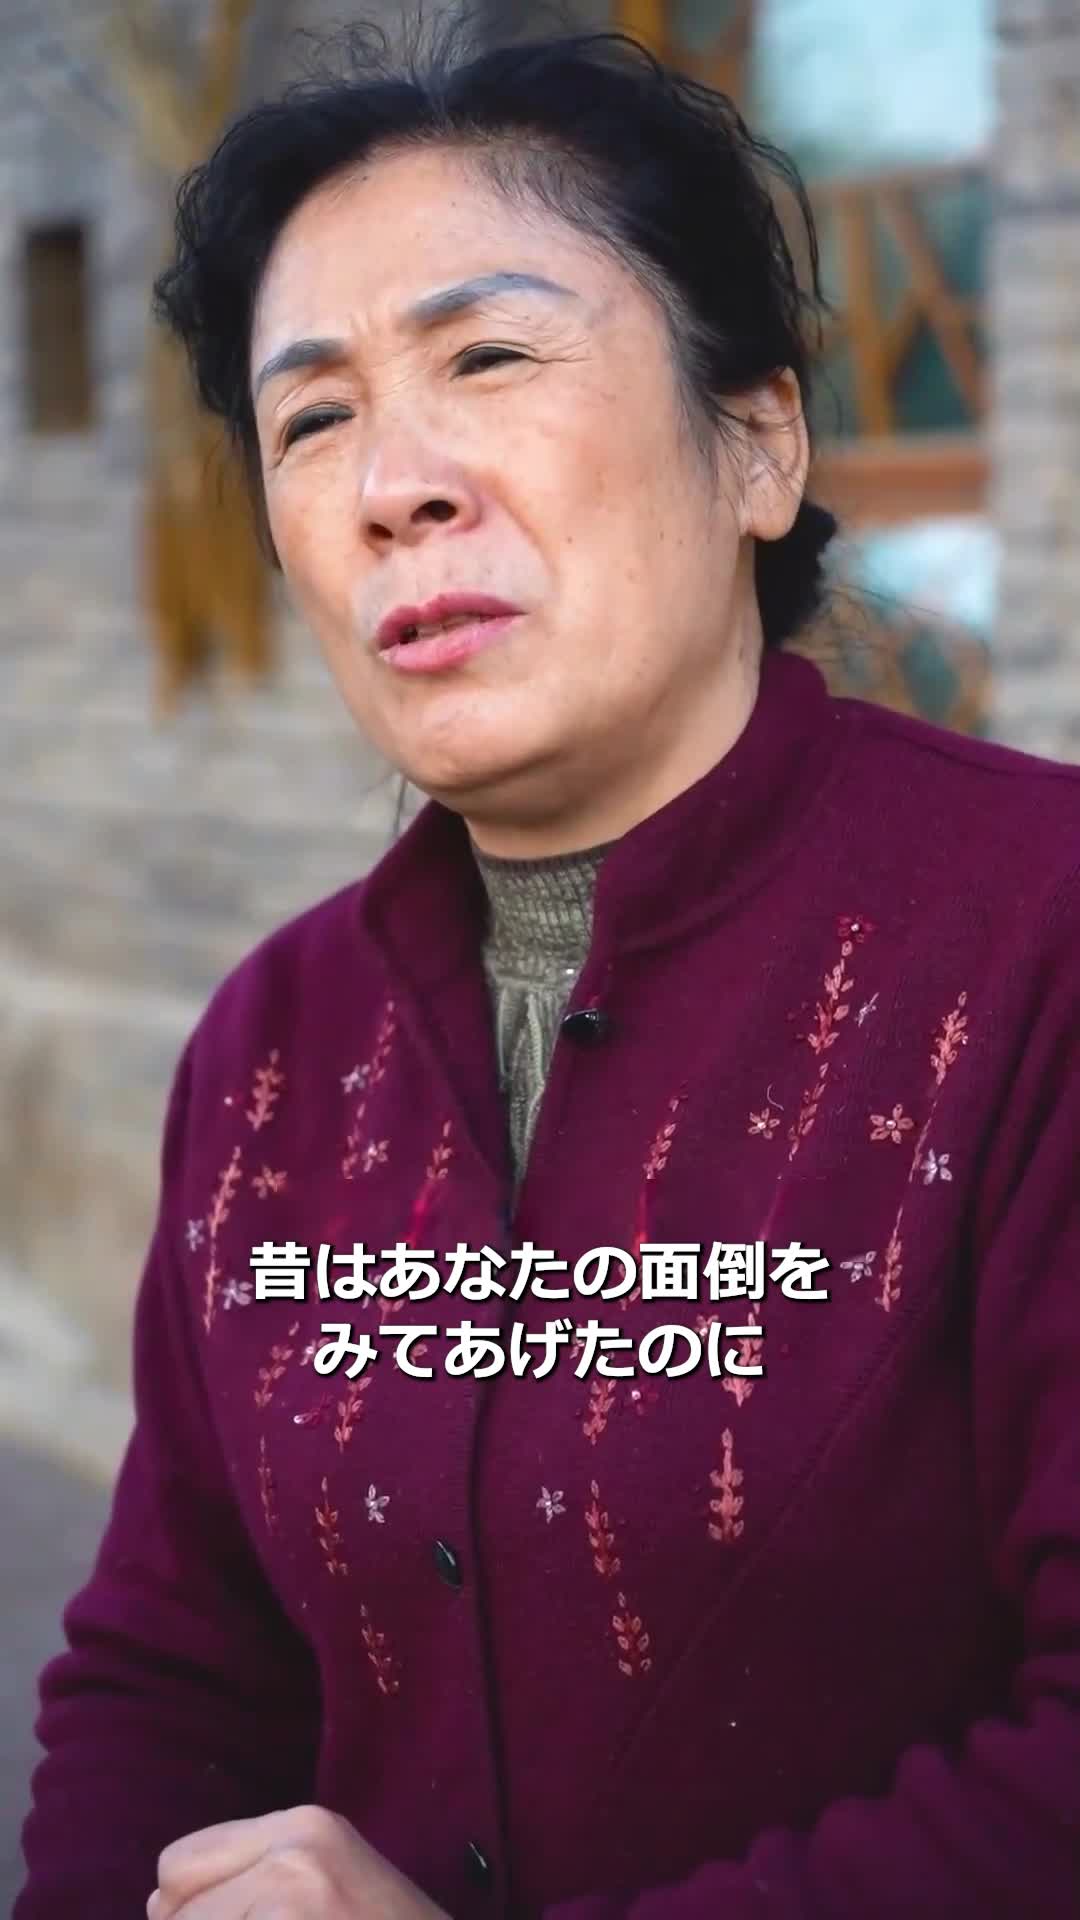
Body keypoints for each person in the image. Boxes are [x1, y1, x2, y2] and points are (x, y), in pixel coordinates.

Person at [15, 21, 1080, 1920]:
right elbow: (174, 1663)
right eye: (311, 419)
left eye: (489, 358)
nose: (392, 485)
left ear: (759, 445)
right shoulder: (275, 1046)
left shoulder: (1038, 941)